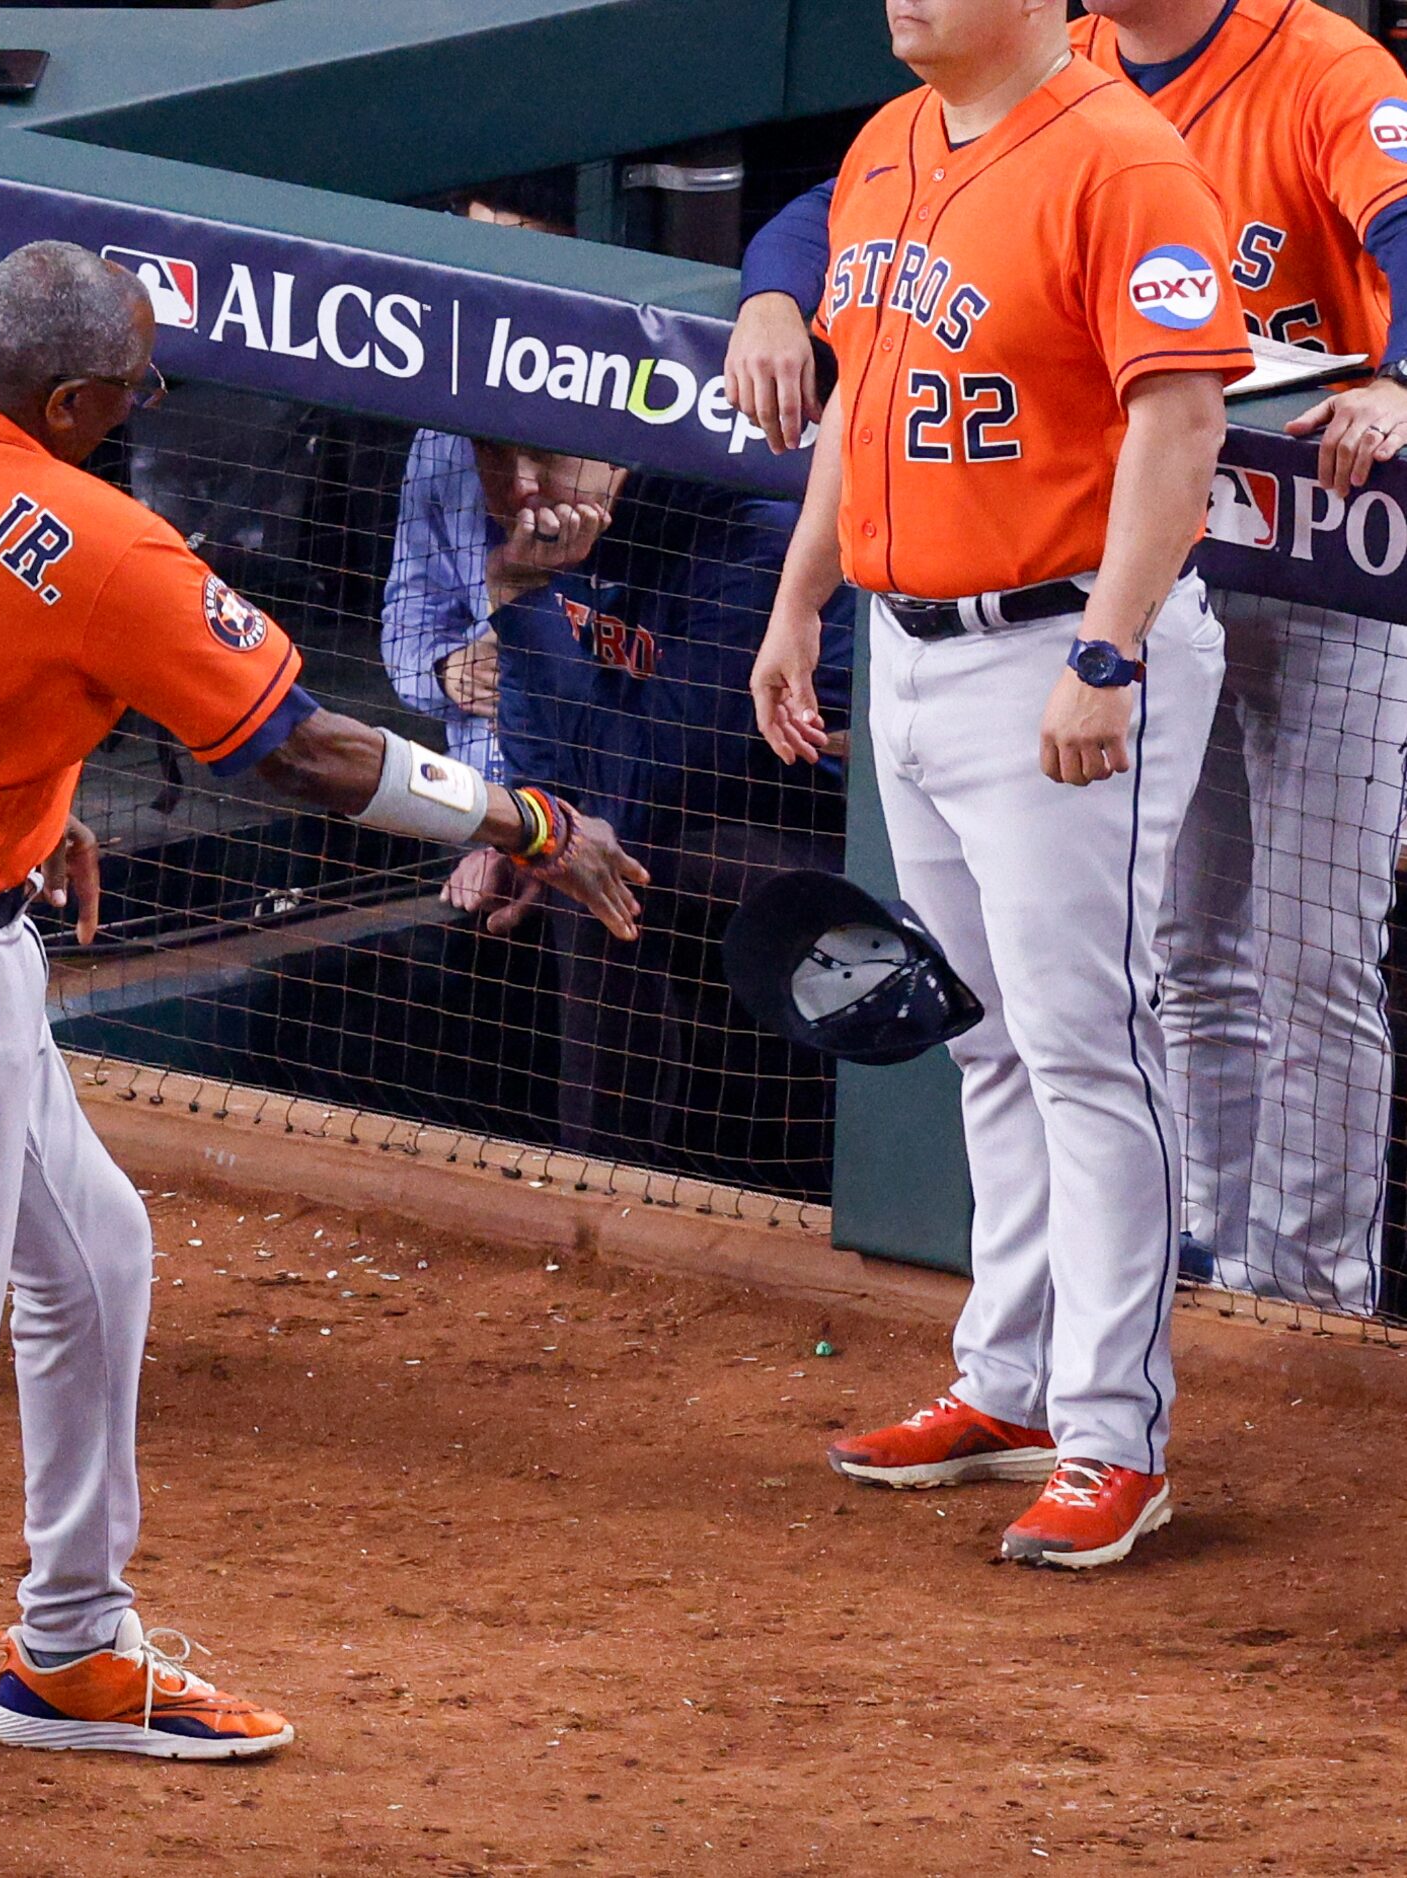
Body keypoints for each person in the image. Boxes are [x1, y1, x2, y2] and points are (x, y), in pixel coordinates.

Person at [0, 241, 650, 1852]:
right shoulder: (107, 544)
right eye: (137, 389)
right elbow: (307, 750)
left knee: (94, 1259)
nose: (140, 409)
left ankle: (69, 1647)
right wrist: (525, 811)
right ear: (77, 398)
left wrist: (36, 769)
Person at [728, 0, 1407, 1314]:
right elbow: (843, 206)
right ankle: (1204, 1250)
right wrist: (769, 293)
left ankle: (1311, 1289)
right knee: (1185, 943)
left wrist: (1401, 373)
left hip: (1323, 559)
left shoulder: (1325, 67)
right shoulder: (1056, 62)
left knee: (1311, 948)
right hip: (1161, 561)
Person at [751, 0, 1248, 1567]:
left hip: (1055, 647)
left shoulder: (1121, 158)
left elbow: (1181, 421)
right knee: (980, 1040)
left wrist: (1106, 654)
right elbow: (855, 402)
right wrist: (797, 601)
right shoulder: (889, 143)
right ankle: (1009, 1385)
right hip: (904, 644)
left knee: (1086, 1044)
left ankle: (1114, 1435)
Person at [386, 434, 852, 1196]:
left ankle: (603, 1184)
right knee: (588, 856)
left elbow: (640, 779)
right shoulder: (568, 535)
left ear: (620, 445)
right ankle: (602, 1192)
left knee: (605, 857)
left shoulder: (748, 529)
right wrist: (516, 594)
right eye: (494, 456)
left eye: (546, 453)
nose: (520, 486)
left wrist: (524, 601)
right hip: (698, 815)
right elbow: (553, 778)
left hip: (851, 839)